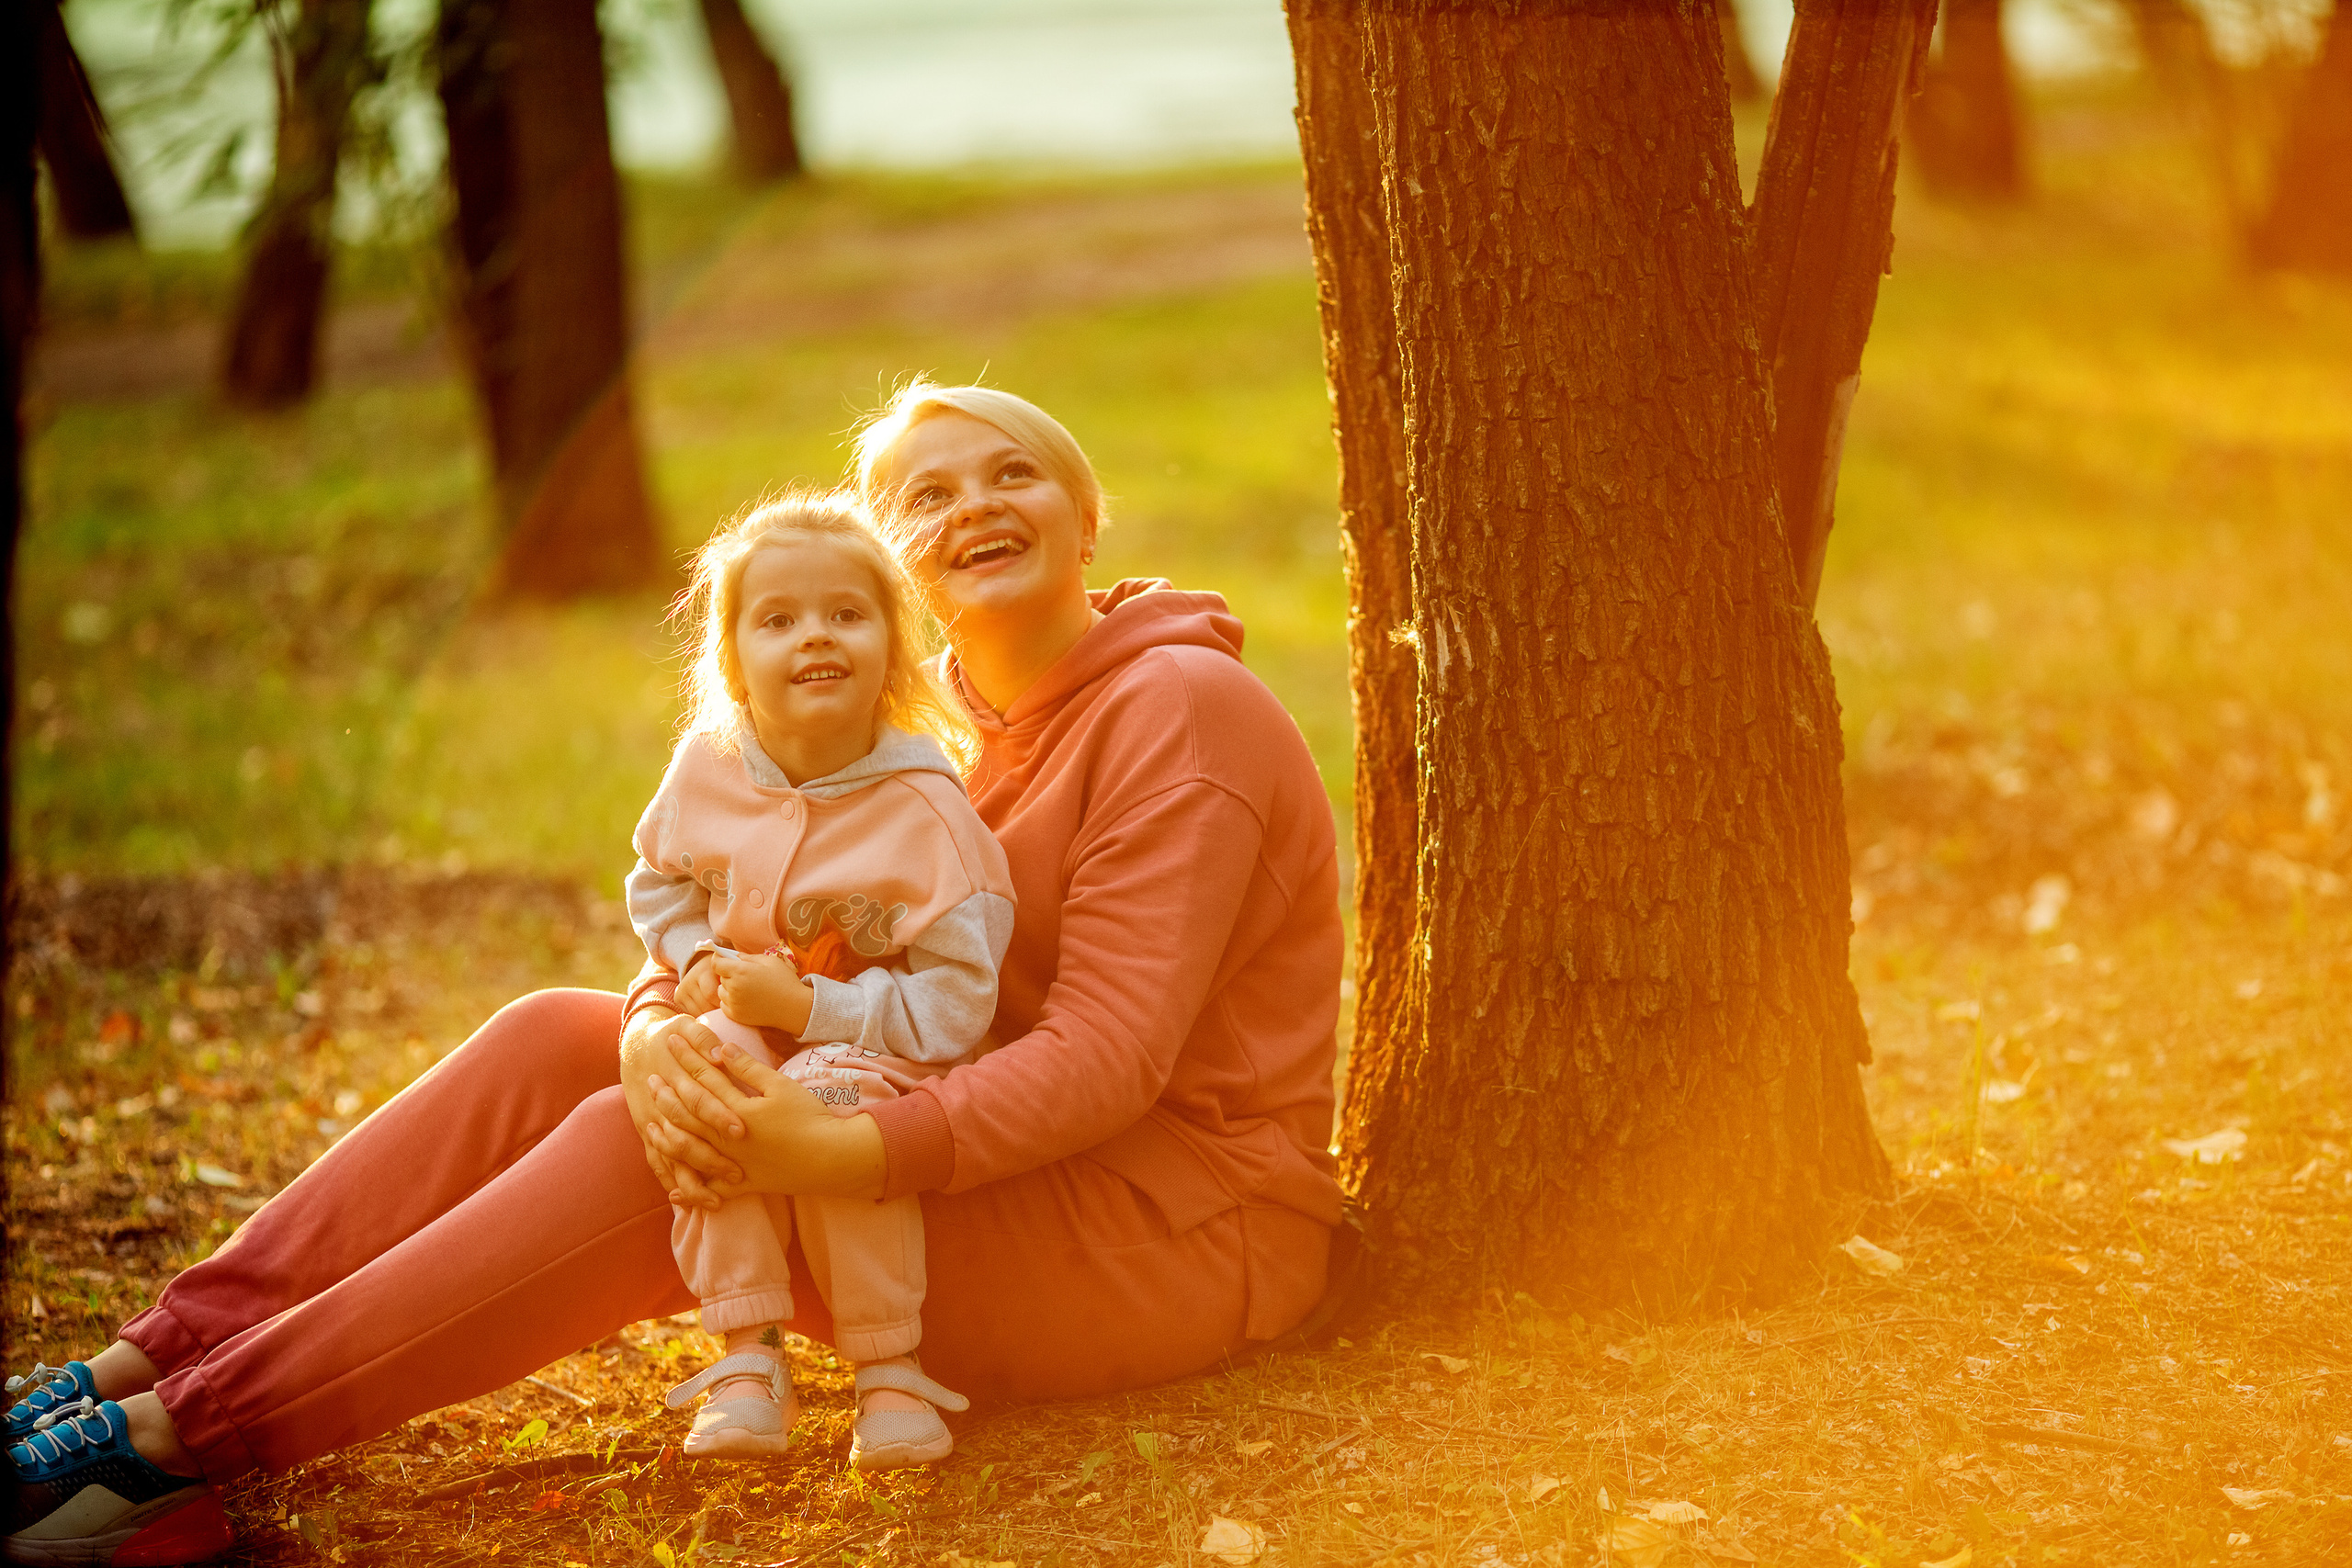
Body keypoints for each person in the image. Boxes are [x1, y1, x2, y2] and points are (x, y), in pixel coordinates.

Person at [4, 381, 1344, 1565]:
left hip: (1165, 1229)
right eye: (926, 494)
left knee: (655, 1153)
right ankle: (136, 1362)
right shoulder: (918, 729)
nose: (975, 506)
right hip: (959, 1143)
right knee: (557, 1038)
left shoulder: (1181, 712)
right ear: (891, 567)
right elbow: (737, 921)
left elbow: (1110, 1059)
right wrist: (656, 1021)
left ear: (1087, 515)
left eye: (1013, 473)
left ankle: (167, 1445)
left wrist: (831, 1147)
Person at [631, 491, 1012, 1466]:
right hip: (743, 1024)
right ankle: (747, 1356)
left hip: (883, 1053)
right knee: (705, 1088)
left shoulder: (926, 813)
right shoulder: (706, 768)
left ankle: (889, 1372)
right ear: (730, 659)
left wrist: (810, 1008)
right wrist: (699, 960)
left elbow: (958, 1007)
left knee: (832, 1097)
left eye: (847, 614)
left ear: (894, 645)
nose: (816, 638)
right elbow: (659, 884)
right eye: (779, 619)